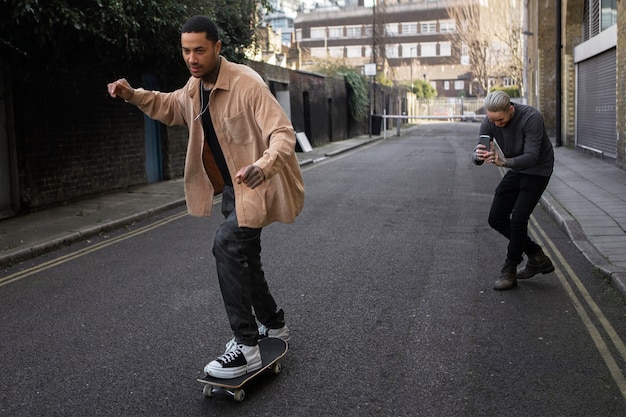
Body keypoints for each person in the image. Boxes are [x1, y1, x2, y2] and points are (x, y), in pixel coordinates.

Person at [107, 16, 304, 378]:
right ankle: (273, 325)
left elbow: (282, 133)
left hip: (257, 185)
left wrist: (263, 165)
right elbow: (170, 106)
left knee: (227, 246)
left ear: (217, 47)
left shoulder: (248, 84)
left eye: (200, 50)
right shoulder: (195, 86)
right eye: (186, 50)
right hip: (232, 189)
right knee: (247, 258)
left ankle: (246, 347)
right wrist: (132, 95)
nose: (192, 58)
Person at [472, 91, 555, 291]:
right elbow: (478, 154)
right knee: (496, 218)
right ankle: (537, 256)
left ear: (511, 109)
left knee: (518, 218)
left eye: (500, 120)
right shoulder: (490, 120)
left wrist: (505, 162)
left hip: (537, 170)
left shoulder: (531, 118)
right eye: (492, 120)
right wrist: (477, 155)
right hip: (516, 168)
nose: (496, 124)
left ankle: (510, 269)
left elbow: (532, 156)